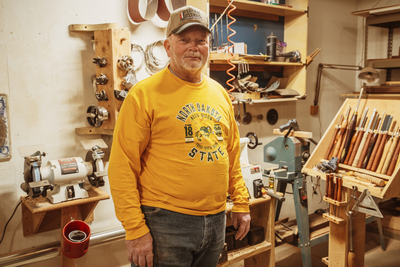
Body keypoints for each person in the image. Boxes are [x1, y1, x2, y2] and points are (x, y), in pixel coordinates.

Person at [108, 5, 250, 267]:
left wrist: (240, 202)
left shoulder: (219, 94)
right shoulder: (144, 94)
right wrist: (135, 229)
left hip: (217, 219)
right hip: (165, 222)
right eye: (184, 40)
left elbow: (231, 154)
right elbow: (121, 166)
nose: (193, 47)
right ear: (168, 46)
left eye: (201, 41)